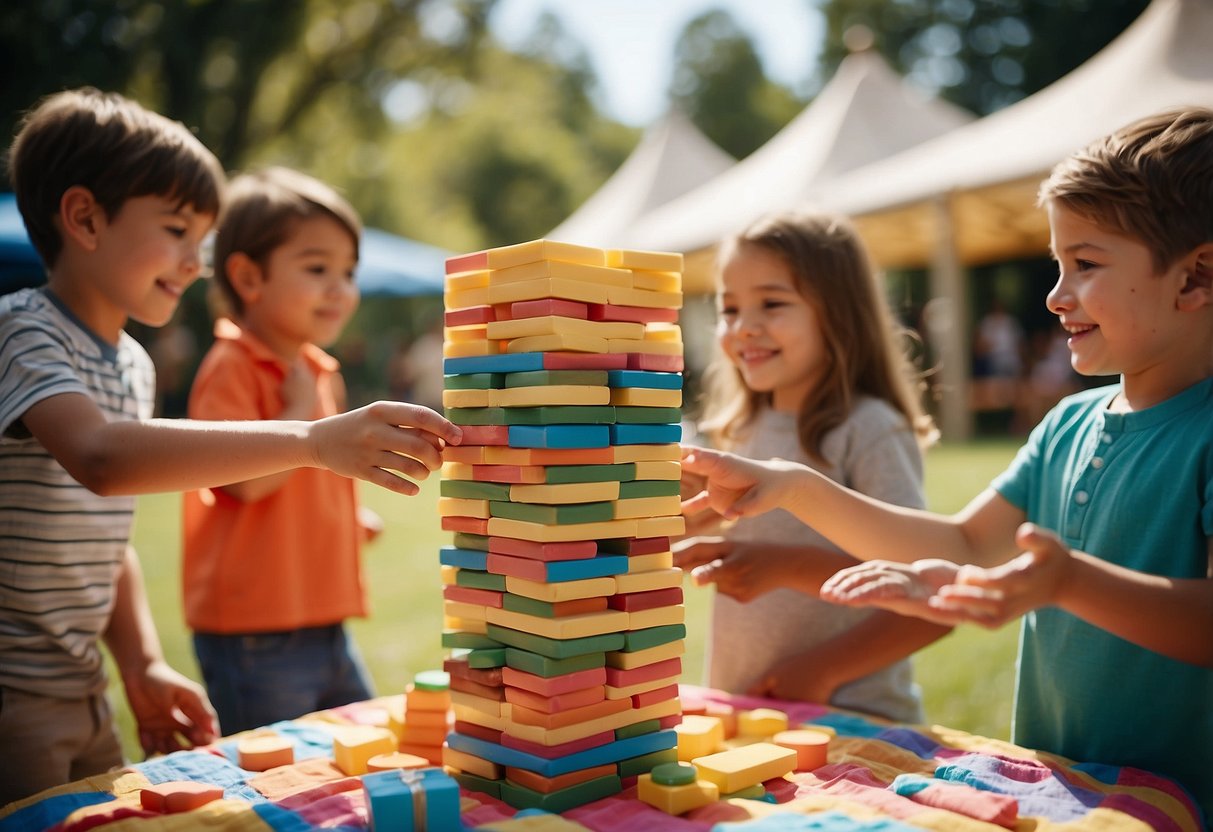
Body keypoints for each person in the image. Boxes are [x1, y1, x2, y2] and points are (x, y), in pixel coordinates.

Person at [680, 108, 1213, 820]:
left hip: (1176, 804)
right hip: (1064, 790)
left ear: (1194, 277)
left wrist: (1065, 582)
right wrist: (792, 489)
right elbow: (961, 543)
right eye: (1057, 266)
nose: (1054, 296)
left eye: (1084, 265)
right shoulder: (1064, 426)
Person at [0, 89, 459, 805]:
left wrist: (142, 662)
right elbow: (100, 461)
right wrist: (309, 436)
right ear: (84, 217)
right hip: (15, 693)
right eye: (178, 231)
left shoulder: (131, 364)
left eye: (201, 240)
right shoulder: (22, 330)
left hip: (84, 684)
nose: (196, 262)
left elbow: (107, 539)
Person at [674, 211, 949, 723]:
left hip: (854, 720)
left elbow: (931, 602)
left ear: (838, 313)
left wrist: (819, 670)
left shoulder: (868, 429)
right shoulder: (744, 428)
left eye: (772, 303)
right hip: (749, 713)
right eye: (729, 308)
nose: (743, 326)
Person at [182, 167, 382, 733]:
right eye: (317, 268)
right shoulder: (232, 365)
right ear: (248, 277)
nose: (339, 286)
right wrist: (296, 414)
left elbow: (312, 474)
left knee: (358, 759)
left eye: (348, 270)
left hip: (322, 617)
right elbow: (241, 482)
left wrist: (347, 517)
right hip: (255, 633)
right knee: (276, 780)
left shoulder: (318, 371)